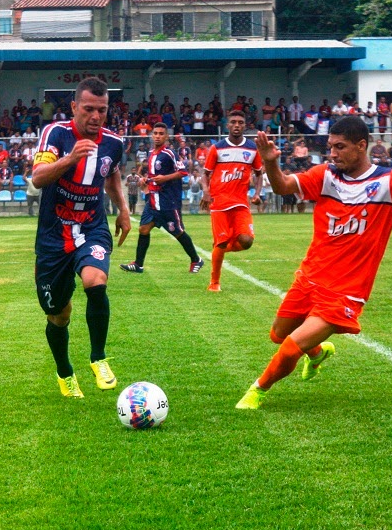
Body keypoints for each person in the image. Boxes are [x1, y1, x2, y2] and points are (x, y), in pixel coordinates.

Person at [235, 108, 392, 410]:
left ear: (361, 145)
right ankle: (318, 353)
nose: (332, 154)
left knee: (292, 347)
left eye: (339, 147)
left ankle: (257, 391)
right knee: (278, 335)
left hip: (345, 292)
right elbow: (283, 187)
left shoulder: (388, 182)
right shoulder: (324, 176)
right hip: (309, 278)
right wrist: (271, 162)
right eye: (330, 147)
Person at [31, 77, 131, 399]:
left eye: (101, 110)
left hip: (91, 226)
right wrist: (71, 158)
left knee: (95, 280)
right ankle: (65, 373)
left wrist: (123, 209)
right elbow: (38, 177)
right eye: (88, 108)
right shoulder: (55, 135)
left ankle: (98, 358)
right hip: (53, 235)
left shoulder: (114, 142)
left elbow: (112, 171)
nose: (95, 116)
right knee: (59, 316)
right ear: (74, 106)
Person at [120, 123, 204, 275]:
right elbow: (154, 177)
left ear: (166, 137)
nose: (158, 136)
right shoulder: (152, 153)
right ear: (152, 136)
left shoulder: (170, 153)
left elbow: (183, 172)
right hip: (153, 200)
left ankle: (196, 259)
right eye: (155, 133)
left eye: (161, 134)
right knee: (143, 229)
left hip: (168, 201)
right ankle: (138, 264)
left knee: (177, 232)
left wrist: (165, 178)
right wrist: (146, 180)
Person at [200, 110, 263, 292]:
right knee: (221, 242)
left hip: (241, 203)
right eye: (233, 122)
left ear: (245, 125)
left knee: (246, 241)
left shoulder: (251, 149)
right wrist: (206, 191)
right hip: (219, 203)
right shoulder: (217, 148)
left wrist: (257, 193)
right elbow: (205, 173)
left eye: (240, 122)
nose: (237, 125)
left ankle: (218, 251)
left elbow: (259, 174)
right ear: (227, 125)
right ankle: (214, 283)